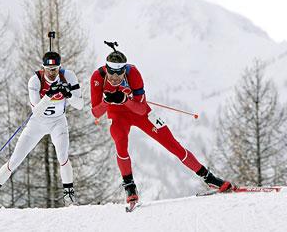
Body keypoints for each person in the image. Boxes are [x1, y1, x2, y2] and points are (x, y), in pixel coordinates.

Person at [90, 42, 233, 205]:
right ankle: (130, 187)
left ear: (124, 71)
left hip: (140, 113)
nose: (114, 78)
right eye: (111, 73)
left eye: (118, 74)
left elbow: (142, 109)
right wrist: (106, 102)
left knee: (172, 144)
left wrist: (125, 100)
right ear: (106, 69)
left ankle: (209, 178)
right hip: (118, 116)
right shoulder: (97, 77)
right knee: (120, 143)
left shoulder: (133, 73)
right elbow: (96, 112)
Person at [0, 51, 84, 208]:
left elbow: (80, 105)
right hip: (37, 124)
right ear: (43, 68)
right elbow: (37, 111)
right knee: (15, 159)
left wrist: (69, 95)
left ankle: (69, 196)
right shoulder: (35, 80)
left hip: (58, 122)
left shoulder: (69, 76)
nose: (52, 73)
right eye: (48, 69)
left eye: (55, 69)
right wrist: (50, 94)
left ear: (59, 67)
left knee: (62, 156)